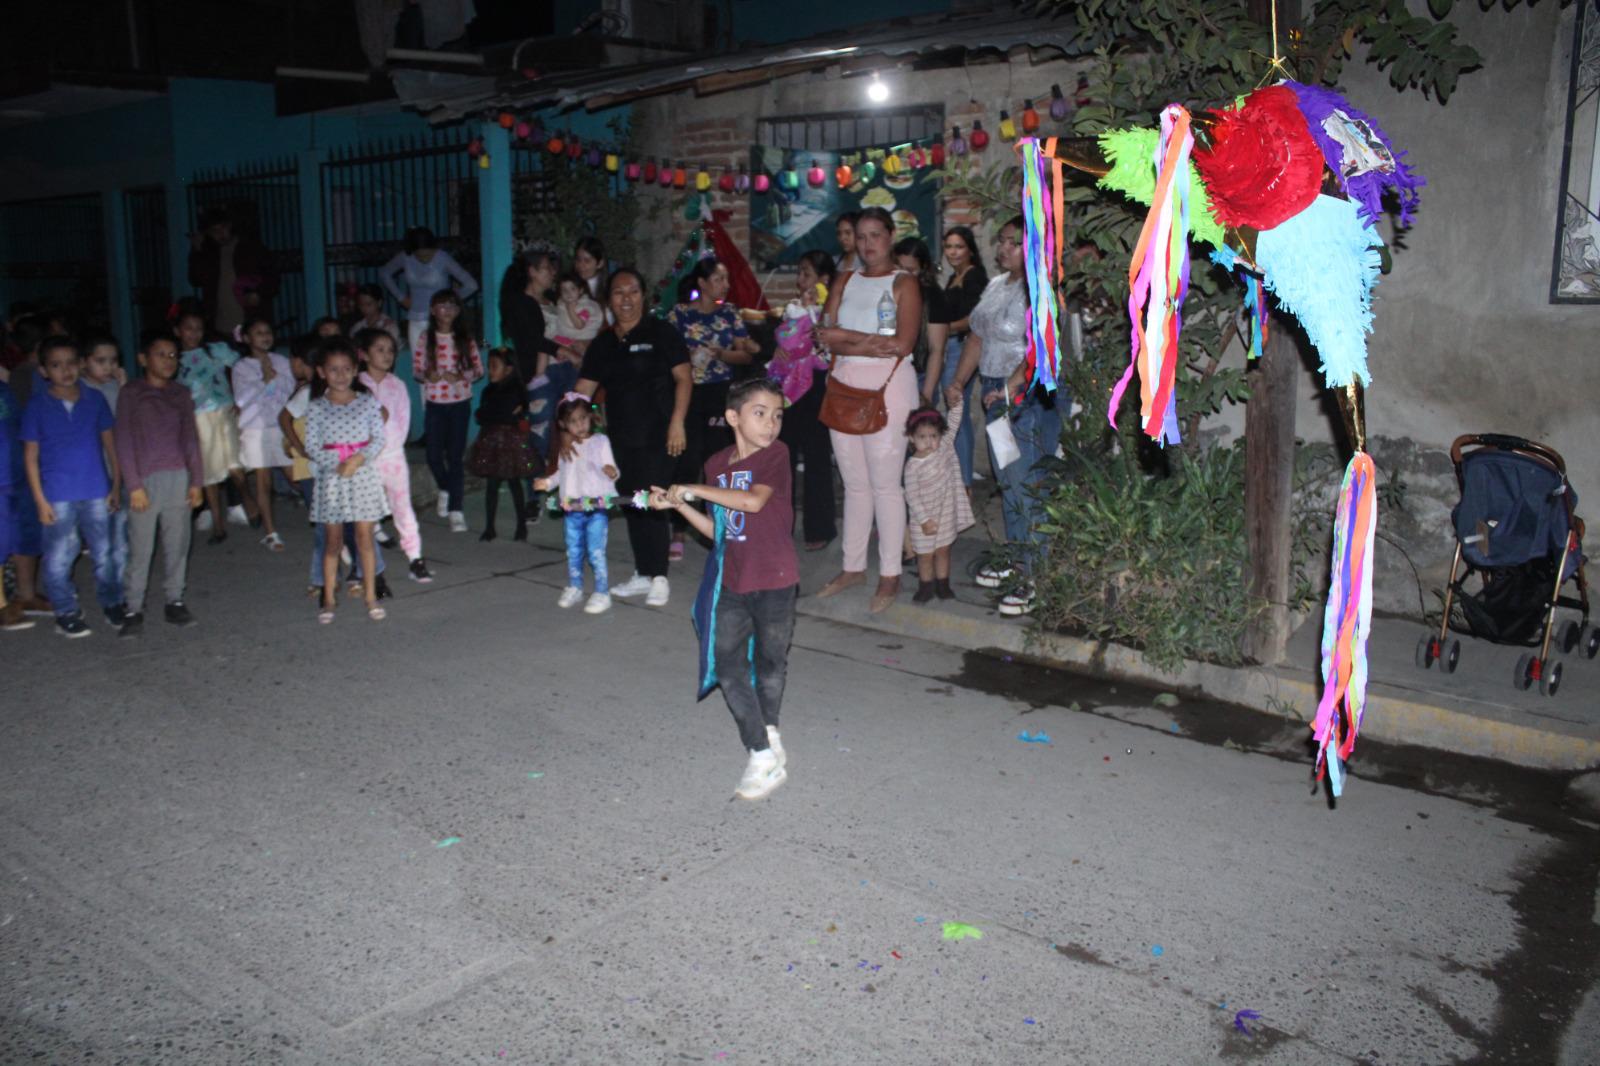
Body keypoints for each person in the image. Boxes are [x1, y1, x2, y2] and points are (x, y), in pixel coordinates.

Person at [649, 377, 797, 801]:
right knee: (727, 663)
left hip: (776, 579)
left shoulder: (776, 456)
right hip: (733, 578)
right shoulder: (716, 465)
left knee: (770, 665)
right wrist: (680, 505)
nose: (771, 424)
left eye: (777, 415)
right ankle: (760, 751)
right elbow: (721, 531)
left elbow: (752, 502)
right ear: (733, 417)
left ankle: (768, 735)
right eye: (760, 413)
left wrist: (691, 489)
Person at [950, 215, 1062, 617]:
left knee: (1028, 482)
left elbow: (1042, 346)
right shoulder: (998, 286)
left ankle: (1037, 576)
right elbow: (978, 335)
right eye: (1001, 241)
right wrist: (960, 381)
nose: (1003, 249)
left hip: (1027, 395)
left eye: (1013, 242)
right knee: (1008, 479)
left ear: (1033, 246)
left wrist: (1012, 386)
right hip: (996, 391)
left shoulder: (1041, 288)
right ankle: (1018, 561)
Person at [814, 206, 923, 614]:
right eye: (860, 237)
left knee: (885, 486)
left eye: (876, 235)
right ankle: (853, 566)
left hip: (889, 389)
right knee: (855, 485)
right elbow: (826, 338)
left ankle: (890, 574)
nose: (867, 244)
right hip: (844, 387)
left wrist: (847, 337)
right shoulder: (844, 279)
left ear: (891, 236)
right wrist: (858, 340)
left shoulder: (905, 283)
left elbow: (903, 344)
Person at [575, 267, 691, 607]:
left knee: (653, 500)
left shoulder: (662, 332)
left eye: (633, 292)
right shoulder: (603, 343)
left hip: (662, 433)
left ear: (644, 295)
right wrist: (573, 428)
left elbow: (684, 379)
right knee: (633, 503)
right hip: (621, 437)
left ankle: (659, 577)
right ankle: (643, 573)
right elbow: (582, 390)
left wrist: (678, 422)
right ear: (609, 300)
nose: (626, 299)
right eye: (618, 293)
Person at [20, 337, 125, 637]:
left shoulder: (94, 400)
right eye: (55, 365)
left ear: (80, 364)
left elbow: (110, 445)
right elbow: (31, 457)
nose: (64, 371)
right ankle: (65, 610)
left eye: (70, 363)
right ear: (43, 371)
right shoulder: (38, 406)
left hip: (96, 489)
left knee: (105, 552)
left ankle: (112, 602)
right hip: (57, 495)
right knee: (59, 556)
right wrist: (40, 501)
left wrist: (115, 485)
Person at [666, 257, 760, 559]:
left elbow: (746, 356)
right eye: (719, 279)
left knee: (719, 459)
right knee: (687, 458)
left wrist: (723, 354)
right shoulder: (680, 314)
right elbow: (666, 354)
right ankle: (678, 528)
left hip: (721, 392)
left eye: (726, 279)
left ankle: (720, 527)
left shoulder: (730, 313)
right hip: (688, 392)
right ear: (702, 284)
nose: (726, 285)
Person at [114, 327, 203, 635]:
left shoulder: (180, 394)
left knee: (178, 542)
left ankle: (174, 600)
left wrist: (197, 481)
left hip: (179, 477)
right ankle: (133, 607)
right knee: (141, 547)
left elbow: (191, 438)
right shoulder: (132, 393)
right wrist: (134, 484)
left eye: (172, 355)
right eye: (160, 354)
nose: (167, 361)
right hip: (145, 480)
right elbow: (123, 440)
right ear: (142, 359)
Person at [304, 340, 388, 623]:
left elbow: (379, 437)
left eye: (346, 369)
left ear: (355, 371)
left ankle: (371, 595)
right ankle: (328, 598)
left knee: (365, 538)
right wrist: (338, 464)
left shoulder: (367, 402)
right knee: (332, 541)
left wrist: (358, 459)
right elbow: (312, 446)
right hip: (333, 480)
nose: (340, 375)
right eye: (333, 369)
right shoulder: (317, 407)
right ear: (321, 372)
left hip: (362, 475)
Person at [774, 251, 837, 552]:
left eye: (807, 274)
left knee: (817, 458)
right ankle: (779, 524)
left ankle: (819, 527)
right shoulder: (793, 309)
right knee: (783, 457)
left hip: (817, 390)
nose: (800, 280)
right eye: (799, 273)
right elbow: (784, 342)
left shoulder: (830, 310)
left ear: (823, 280)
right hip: (789, 391)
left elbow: (827, 350)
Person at [355, 328, 430, 582]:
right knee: (365, 510)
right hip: (364, 460)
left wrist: (389, 448)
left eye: (390, 350)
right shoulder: (356, 385)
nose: (387, 355)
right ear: (363, 354)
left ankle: (415, 557)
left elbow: (402, 422)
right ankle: (364, 563)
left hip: (393, 457)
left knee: (402, 507)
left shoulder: (397, 385)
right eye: (380, 349)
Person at [534, 393, 619, 615]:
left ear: (591, 417)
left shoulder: (600, 441)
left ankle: (602, 592)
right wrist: (547, 482)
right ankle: (576, 586)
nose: (580, 424)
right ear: (563, 425)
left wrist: (611, 472)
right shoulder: (567, 446)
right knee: (573, 550)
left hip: (596, 507)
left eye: (583, 418)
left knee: (595, 551)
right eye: (573, 421)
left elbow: (611, 468)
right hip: (572, 507)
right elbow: (562, 472)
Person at [175, 310, 253, 541]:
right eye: (188, 328)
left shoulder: (215, 350)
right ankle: (218, 524)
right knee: (208, 471)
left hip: (225, 409)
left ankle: (247, 500)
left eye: (198, 328)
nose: (193, 333)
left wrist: (242, 399)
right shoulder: (174, 358)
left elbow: (244, 369)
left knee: (234, 462)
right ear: (177, 331)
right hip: (197, 416)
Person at [922, 226, 988, 485]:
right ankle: (960, 475)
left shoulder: (974, 277)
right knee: (954, 414)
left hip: (964, 349)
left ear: (970, 249)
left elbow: (974, 319)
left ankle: (964, 480)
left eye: (959, 246)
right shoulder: (953, 277)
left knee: (956, 413)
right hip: (951, 347)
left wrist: (940, 330)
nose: (953, 252)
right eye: (949, 246)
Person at [414, 290, 483, 533]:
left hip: (459, 403)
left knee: (455, 457)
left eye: (452, 306)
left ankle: (456, 510)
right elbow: (417, 370)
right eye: (442, 306)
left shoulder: (465, 338)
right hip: (435, 404)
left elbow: (478, 370)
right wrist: (427, 375)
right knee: (433, 455)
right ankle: (445, 488)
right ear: (433, 310)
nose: (447, 311)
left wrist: (461, 376)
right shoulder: (426, 338)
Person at [903, 389, 975, 603]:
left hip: (944, 512)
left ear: (940, 436)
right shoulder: (912, 466)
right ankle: (926, 586)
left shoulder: (943, 447)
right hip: (923, 518)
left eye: (933, 436)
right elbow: (912, 496)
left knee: (943, 550)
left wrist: (957, 400)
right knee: (925, 555)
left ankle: (943, 584)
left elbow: (954, 420)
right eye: (922, 437)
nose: (929, 442)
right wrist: (924, 520)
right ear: (911, 438)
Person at [230, 316, 294, 552]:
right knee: (263, 481)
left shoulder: (281, 361)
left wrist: (274, 378)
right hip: (255, 429)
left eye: (268, 331)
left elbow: (289, 390)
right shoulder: (241, 367)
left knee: (294, 476)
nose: (265, 336)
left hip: (278, 427)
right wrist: (264, 380)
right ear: (246, 338)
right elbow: (242, 399)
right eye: (258, 332)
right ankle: (270, 532)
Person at [468, 349, 537, 542]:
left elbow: (505, 414)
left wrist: (494, 413)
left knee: (514, 483)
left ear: (508, 369)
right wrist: (496, 413)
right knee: (492, 484)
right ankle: (490, 527)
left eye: (494, 366)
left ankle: (521, 525)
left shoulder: (516, 390)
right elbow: (480, 415)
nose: (490, 371)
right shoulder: (488, 391)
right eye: (489, 366)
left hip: (510, 443)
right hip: (491, 442)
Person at [381, 226, 479, 358]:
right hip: (416, 319)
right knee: (419, 363)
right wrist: (401, 297)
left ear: (434, 248)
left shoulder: (443, 258)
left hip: (441, 319)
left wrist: (450, 301)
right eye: (420, 256)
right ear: (413, 251)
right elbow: (385, 273)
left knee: (444, 359)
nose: (425, 259)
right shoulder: (405, 257)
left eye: (428, 254)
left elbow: (471, 284)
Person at [528, 270, 595, 465]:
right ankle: (539, 476)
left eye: (572, 289)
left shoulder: (569, 305)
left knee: (575, 418)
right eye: (564, 289)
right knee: (542, 423)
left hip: (570, 365)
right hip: (550, 366)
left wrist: (581, 345)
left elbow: (582, 330)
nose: (567, 292)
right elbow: (541, 341)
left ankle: (577, 468)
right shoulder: (536, 305)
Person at [187, 207, 278, 336]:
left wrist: (259, 293)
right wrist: (197, 251)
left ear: (230, 226)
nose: (221, 233)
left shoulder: (250, 247)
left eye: (223, 227)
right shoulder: (208, 253)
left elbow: (272, 276)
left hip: (250, 321)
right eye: (215, 231)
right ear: (208, 233)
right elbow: (196, 279)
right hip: (220, 324)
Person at [498, 250, 568, 385]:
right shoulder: (521, 304)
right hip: (538, 374)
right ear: (532, 271)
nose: (553, 272)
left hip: (562, 366)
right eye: (547, 268)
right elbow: (533, 340)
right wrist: (566, 351)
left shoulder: (554, 299)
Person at [892, 237, 951, 395]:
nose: (903, 275)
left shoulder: (933, 296)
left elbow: (936, 350)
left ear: (923, 267)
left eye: (910, 270)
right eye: (899, 268)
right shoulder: (886, 288)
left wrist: (927, 394)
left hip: (918, 375)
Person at [0, 375, 35, 630]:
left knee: (23, 537)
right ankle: (1, 607)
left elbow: (19, 425)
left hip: (16, 475)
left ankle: (26, 596)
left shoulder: (3, 390)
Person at [349, 284, 402, 348]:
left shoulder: (389, 326)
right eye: (361, 305)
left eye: (368, 304)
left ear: (379, 303)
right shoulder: (357, 327)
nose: (364, 308)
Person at [573, 236, 609, 306]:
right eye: (578, 259)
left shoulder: (609, 289)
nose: (581, 265)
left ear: (600, 263)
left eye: (587, 261)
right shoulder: (570, 285)